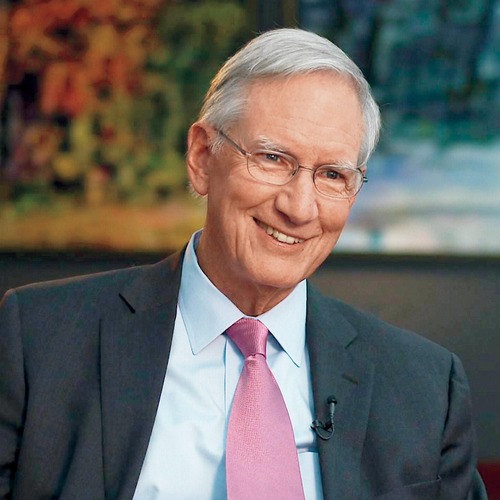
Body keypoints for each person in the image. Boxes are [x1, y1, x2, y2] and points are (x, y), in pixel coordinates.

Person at [0, 28, 486, 500]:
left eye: (332, 174)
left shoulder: (425, 387)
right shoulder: (38, 342)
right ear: (202, 157)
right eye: (273, 158)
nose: (299, 208)